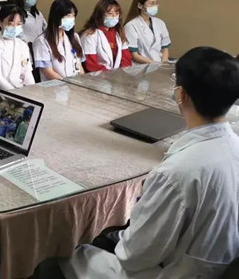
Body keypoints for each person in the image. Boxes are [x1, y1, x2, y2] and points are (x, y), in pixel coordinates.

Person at [58, 46, 239, 278]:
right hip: (217, 263)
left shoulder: (177, 172)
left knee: (62, 261)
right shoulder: (232, 146)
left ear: (180, 94)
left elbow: (135, 255)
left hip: (169, 272)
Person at [0, 5, 35, 89]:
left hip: (20, 89)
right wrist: (13, 93)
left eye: (18, 24)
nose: (15, 28)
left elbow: (27, 72)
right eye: (10, 24)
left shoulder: (22, 45)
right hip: (2, 91)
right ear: (0, 23)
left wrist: (33, 89)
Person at [33, 0, 85, 81]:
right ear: (57, 16)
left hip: (75, 84)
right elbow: (48, 71)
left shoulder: (74, 37)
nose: (71, 19)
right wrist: (68, 83)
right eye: (68, 16)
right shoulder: (42, 41)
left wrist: (82, 81)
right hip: (55, 86)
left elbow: (79, 66)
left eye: (73, 16)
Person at [80, 0, 132, 72]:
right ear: (100, 15)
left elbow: (126, 58)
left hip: (118, 75)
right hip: (99, 76)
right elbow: (91, 64)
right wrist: (110, 75)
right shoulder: (90, 35)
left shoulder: (118, 32)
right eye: (110, 13)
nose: (114, 16)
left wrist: (121, 74)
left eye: (117, 13)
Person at [123, 0, 171, 64]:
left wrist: (163, 64)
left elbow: (165, 49)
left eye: (156, 3)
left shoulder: (160, 23)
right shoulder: (131, 26)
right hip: (141, 67)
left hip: (159, 64)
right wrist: (155, 64)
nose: (155, 6)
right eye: (152, 3)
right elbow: (134, 55)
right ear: (140, 5)